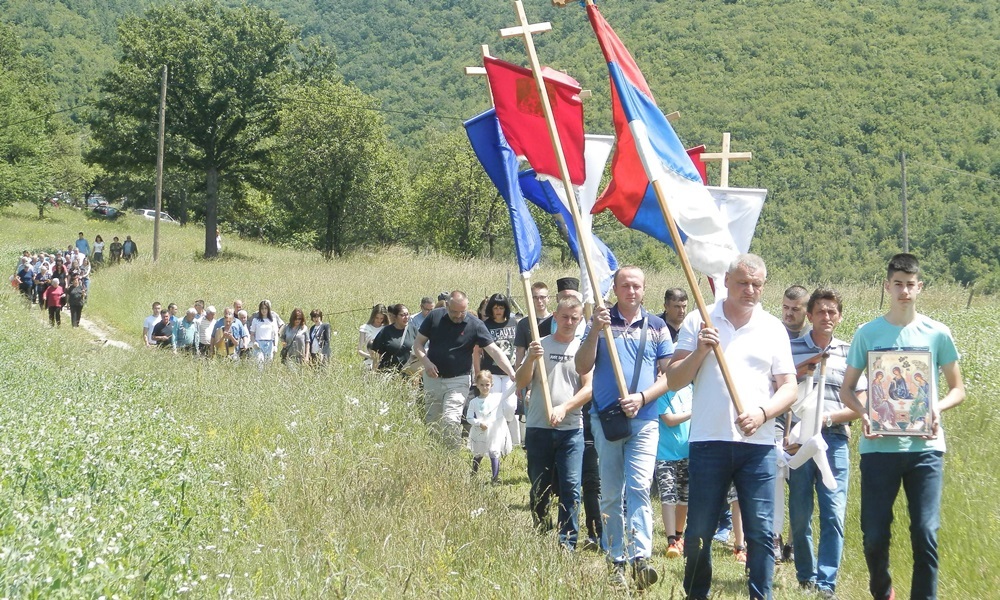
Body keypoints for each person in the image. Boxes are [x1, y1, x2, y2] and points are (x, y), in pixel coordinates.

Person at [666, 254, 797, 600]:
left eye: (756, 284)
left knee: (761, 533)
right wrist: (700, 351)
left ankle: (761, 595)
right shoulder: (701, 319)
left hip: (759, 447)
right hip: (709, 441)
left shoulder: (772, 328)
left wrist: (762, 413)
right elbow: (674, 379)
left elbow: (789, 387)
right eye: (743, 282)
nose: (749, 290)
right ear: (726, 280)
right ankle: (697, 594)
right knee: (698, 532)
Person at [839, 253, 965, 600]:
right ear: (887, 286)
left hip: (926, 449)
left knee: (926, 532)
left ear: (919, 287)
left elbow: (958, 388)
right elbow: (847, 390)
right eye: (898, 284)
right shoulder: (867, 333)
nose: (904, 291)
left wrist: (935, 408)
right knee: (874, 535)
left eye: (910, 285)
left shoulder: (937, 333)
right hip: (878, 449)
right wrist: (865, 413)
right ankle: (883, 591)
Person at [575, 266, 673, 590]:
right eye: (625, 286)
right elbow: (582, 365)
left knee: (640, 488)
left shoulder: (658, 326)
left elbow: (669, 376)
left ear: (645, 290)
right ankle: (615, 557)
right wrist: (593, 332)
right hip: (607, 419)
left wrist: (643, 397)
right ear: (615, 289)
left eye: (637, 286)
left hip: (645, 419)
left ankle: (641, 557)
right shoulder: (600, 323)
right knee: (612, 492)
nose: (631, 291)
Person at [787, 288, 867, 598]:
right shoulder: (791, 347)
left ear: (840, 316)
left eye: (832, 311)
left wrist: (829, 418)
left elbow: (861, 403)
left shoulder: (849, 352)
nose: (827, 317)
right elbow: (777, 388)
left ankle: (826, 582)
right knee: (800, 509)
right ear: (809, 315)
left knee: (833, 509)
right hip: (798, 438)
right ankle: (806, 575)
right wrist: (796, 373)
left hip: (834, 438)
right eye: (820, 311)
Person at [514, 295, 592, 550]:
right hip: (539, 426)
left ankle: (567, 541)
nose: (569, 322)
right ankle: (541, 521)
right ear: (555, 317)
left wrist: (565, 407)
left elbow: (589, 389)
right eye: (565, 317)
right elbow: (521, 381)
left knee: (571, 486)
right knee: (539, 484)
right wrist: (530, 359)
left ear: (580, 320)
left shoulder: (583, 350)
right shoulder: (541, 345)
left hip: (571, 429)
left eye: (574, 318)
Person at [413, 290, 516, 448]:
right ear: (447, 306)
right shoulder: (435, 317)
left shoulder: (475, 325)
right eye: (455, 312)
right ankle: (435, 455)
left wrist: (511, 373)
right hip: (432, 378)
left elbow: (494, 351)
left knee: (451, 420)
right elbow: (418, 344)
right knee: (432, 421)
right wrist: (426, 362)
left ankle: (451, 457)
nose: (459, 315)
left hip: (458, 380)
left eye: (463, 311)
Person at [476, 293, 520, 445]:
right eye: (495, 308)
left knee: (510, 406)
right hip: (491, 372)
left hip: (511, 372)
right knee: (493, 405)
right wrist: (477, 373)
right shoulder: (485, 325)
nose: (498, 311)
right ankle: (495, 440)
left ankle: (508, 432)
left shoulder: (514, 323)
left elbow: (521, 347)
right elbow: (477, 351)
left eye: (501, 308)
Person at [656, 383, 693, 559]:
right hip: (664, 454)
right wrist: (695, 412)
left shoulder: (691, 389)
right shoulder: (661, 391)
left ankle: (679, 535)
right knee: (668, 496)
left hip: (687, 453)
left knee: (684, 499)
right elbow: (669, 420)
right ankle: (671, 541)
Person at [466, 370, 509, 484]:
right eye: (482, 385)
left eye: (487, 385)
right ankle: (474, 473)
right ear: (477, 384)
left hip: (494, 431)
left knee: (494, 451)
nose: (485, 387)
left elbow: (511, 390)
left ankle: (495, 478)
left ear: (492, 385)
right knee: (478, 453)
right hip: (480, 431)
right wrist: (478, 423)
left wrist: (515, 376)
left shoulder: (497, 398)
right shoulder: (474, 402)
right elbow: (469, 417)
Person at [513, 281, 551, 368]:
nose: (539, 301)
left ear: (548, 298)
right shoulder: (524, 323)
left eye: (542, 297)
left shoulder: (555, 321)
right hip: (531, 367)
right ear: (531, 299)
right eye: (535, 297)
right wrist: (518, 373)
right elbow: (520, 351)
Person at [370, 304, 415, 371]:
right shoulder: (385, 332)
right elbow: (377, 355)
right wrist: (374, 373)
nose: (406, 317)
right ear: (395, 317)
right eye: (402, 315)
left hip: (408, 373)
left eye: (407, 314)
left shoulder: (413, 330)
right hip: (388, 373)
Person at [358, 304, 388, 370]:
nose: (379, 320)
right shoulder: (365, 328)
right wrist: (371, 357)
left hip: (383, 362)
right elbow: (359, 350)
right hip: (369, 361)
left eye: (381, 318)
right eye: (377, 318)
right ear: (373, 316)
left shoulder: (386, 328)